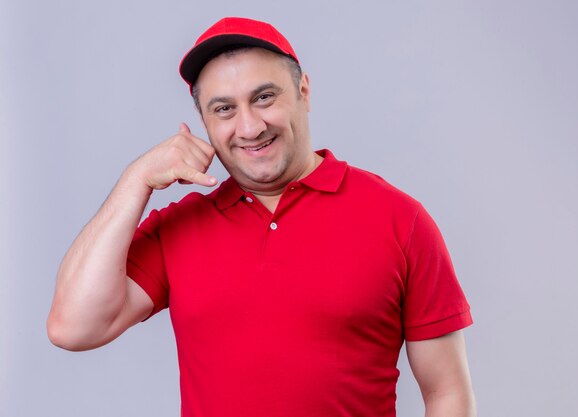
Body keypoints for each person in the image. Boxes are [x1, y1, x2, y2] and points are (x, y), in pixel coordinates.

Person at [48, 16, 476, 417]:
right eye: (224, 109)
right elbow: (73, 328)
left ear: (304, 92)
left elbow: (447, 393)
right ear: (204, 122)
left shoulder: (400, 220)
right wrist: (135, 180)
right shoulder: (178, 228)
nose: (250, 127)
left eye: (264, 98)